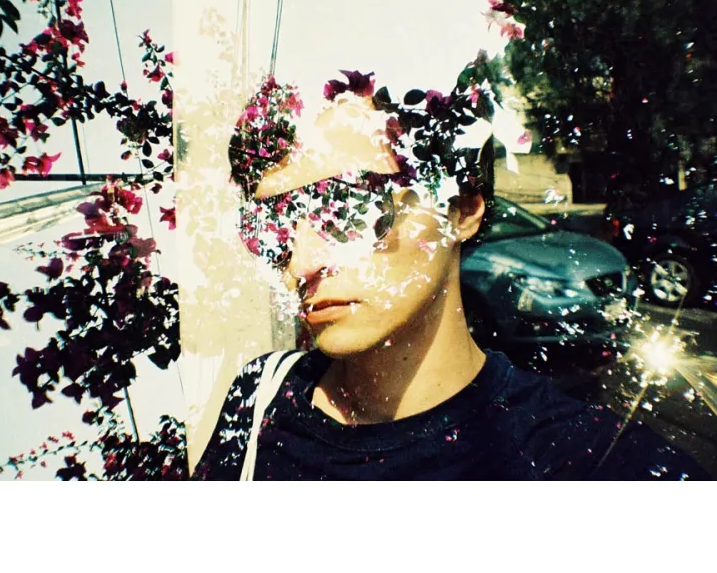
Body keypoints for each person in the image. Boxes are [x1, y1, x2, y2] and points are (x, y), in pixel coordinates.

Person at [192, 70, 711, 481]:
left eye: (348, 206)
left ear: (461, 210)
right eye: (274, 225)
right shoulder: (261, 393)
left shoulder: (590, 464)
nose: (302, 262)